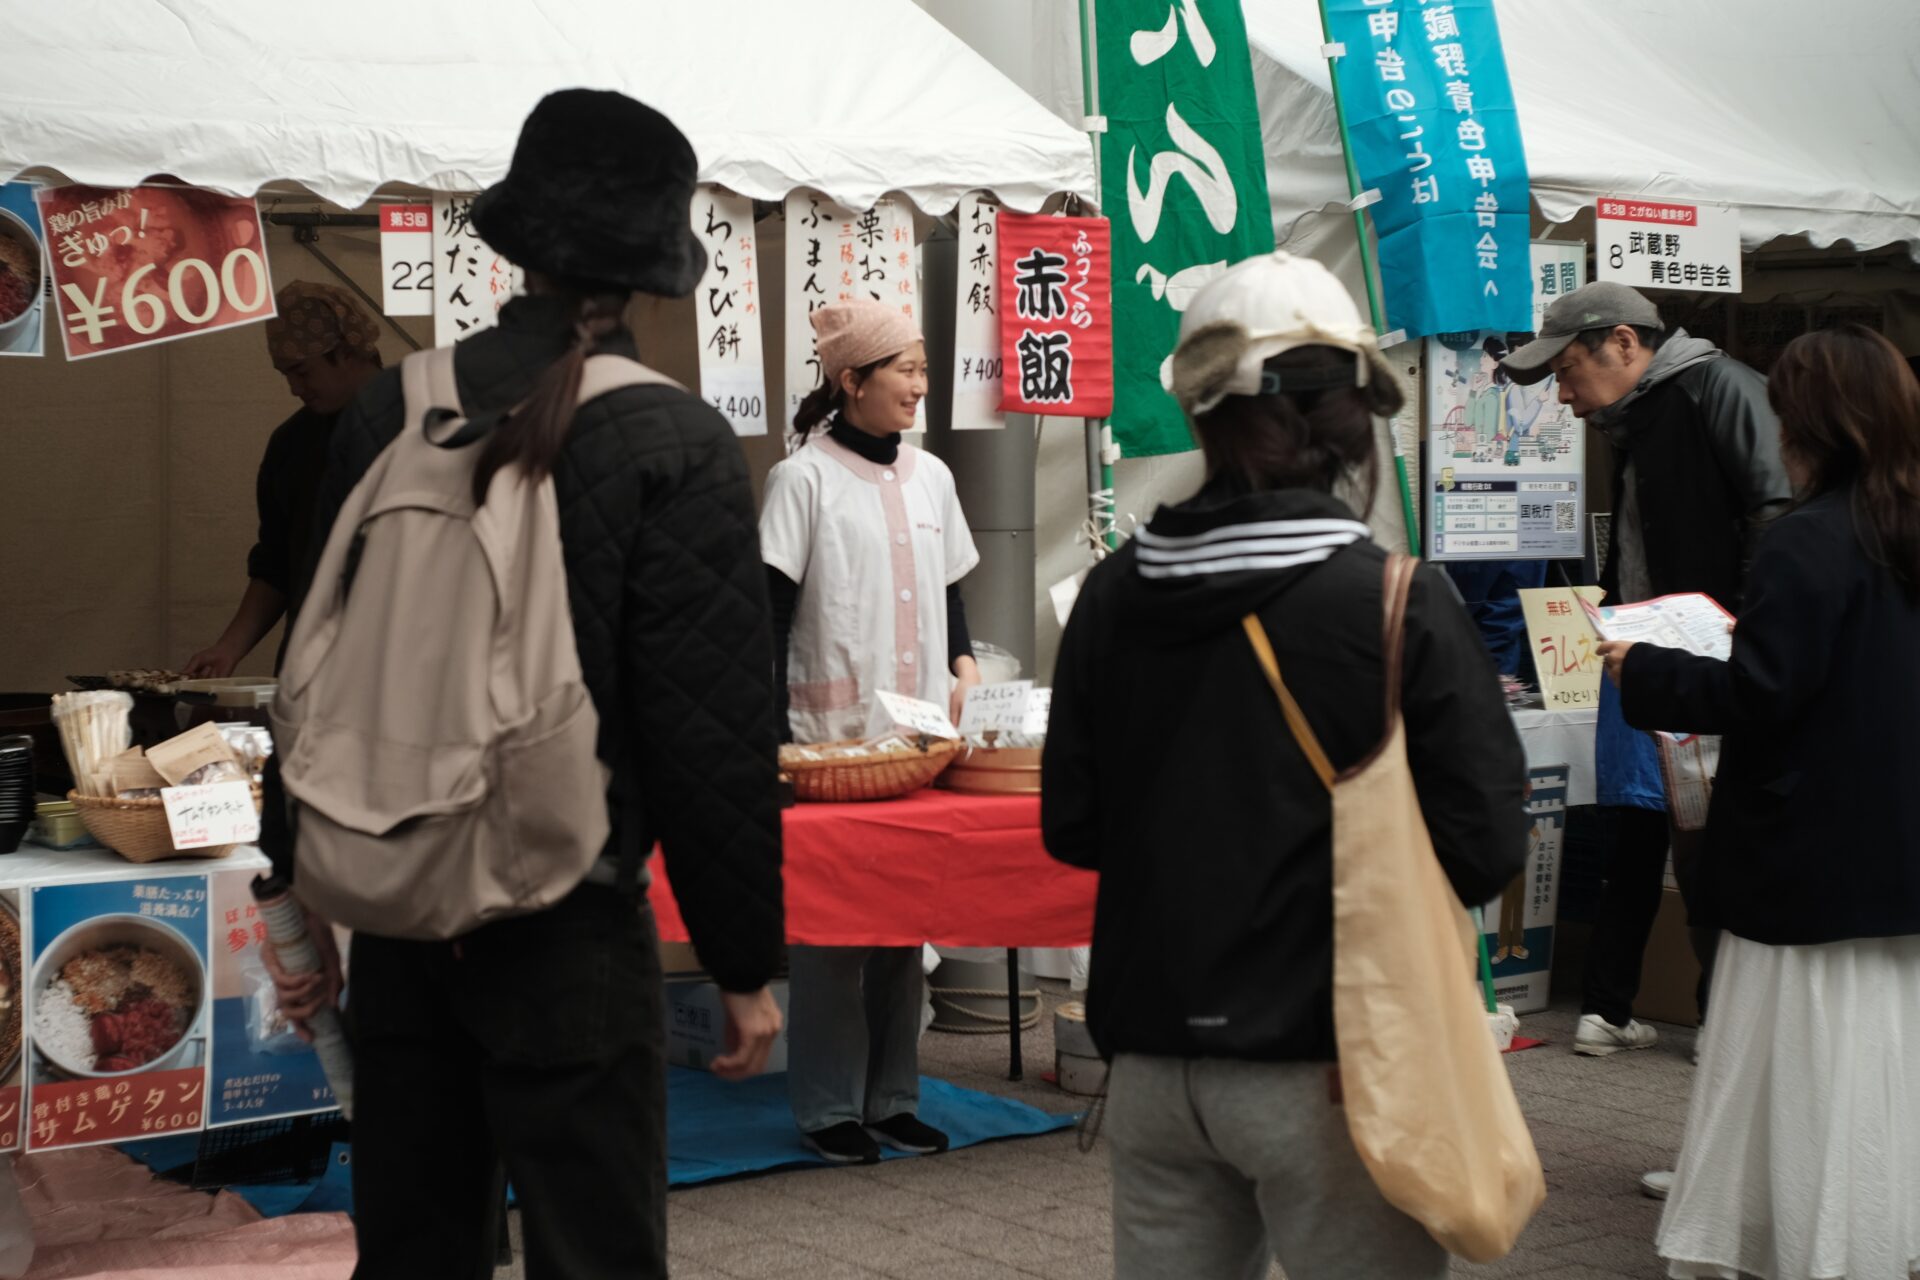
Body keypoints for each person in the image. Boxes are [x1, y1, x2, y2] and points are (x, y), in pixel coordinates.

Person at [262, 89, 785, 1279]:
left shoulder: (394, 406)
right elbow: (710, 733)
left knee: (415, 1243)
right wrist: (743, 961)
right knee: (594, 1249)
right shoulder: (675, 439)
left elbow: (316, 658)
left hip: (398, 901)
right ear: (651, 269)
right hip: (569, 920)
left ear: (521, 249)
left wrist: (301, 891)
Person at [1042, 251, 1530, 1280]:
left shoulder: (1111, 596)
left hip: (1153, 1062)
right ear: (1355, 419)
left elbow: (1072, 827)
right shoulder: (1396, 601)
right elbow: (1485, 847)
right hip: (1340, 1065)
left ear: (1202, 414)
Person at [1597, 325, 1920, 1279]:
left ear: (1809, 422)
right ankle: (1871, 1232)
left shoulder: (1806, 541)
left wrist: (1644, 667)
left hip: (1804, 852)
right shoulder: (1902, 529)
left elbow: (1759, 691)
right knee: (1880, 1056)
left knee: (1786, 1056)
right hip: (1898, 847)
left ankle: (1795, 1238)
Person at [1499, 281, 1791, 1057]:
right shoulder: (1637, 413)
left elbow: (1776, 513)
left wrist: (1748, 640)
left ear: (1625, 342)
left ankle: (1722, 1026)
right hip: (1656, 662)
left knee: (1709, 849)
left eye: (1566, 371)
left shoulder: (1718, 389)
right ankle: (1663, 1017)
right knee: (1652, 833)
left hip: (1717, 668)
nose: (1563, 396)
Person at [758, 298, 980, 1164]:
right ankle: (826, 1109)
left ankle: (894, 1098)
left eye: (923, 371)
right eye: (907, 372)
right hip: (831, 739)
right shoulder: (802, 478)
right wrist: (770, 732)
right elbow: (770, 612)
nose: (920, 387)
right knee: (831, 931)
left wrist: (964, 663)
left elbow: (951, 587)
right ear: (853, 380)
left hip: (917, 737)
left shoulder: (933, 477)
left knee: (901, 922)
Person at [185, 282, 382, 677]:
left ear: (346, 352)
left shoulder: (424, 427)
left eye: (302, 372)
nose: (294, 388)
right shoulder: (292, 443)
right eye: (285, 374)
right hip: (311, 669)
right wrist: (229, 648)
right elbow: (277, 562)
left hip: (407, 665)